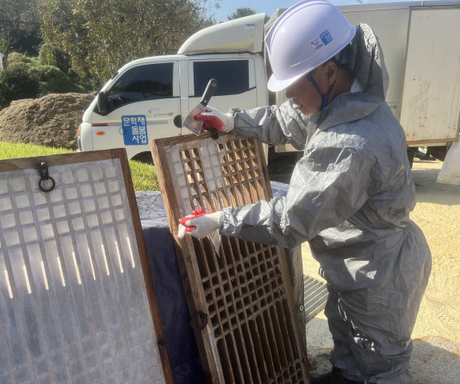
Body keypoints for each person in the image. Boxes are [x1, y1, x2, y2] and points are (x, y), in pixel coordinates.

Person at [179, 1, 432, 383]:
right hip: (359, 261)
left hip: (378, 275)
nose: (288, 99)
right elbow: (290, 120)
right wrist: (231, 120)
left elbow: (292, 220)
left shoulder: (352, 141)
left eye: (291, 88)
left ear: (328, 72)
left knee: (380, 365)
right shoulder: (344, 101)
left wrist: (220, 220)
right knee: (348, 340)